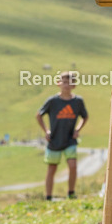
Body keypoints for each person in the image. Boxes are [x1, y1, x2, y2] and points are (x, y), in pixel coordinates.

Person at [36, 71, 88, 200]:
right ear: (58, 83)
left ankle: (71, 193)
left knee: (73, 165)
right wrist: (46, 130)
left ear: (74, 85)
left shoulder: (78, 101)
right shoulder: (53, 101)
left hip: (70, 139)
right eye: (64, 82)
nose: (66, 85)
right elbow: (39, 115)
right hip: (54, 139)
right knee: (52, 168)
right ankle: (48, 196)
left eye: (70, 82)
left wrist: (78, 129)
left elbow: (85, 117)